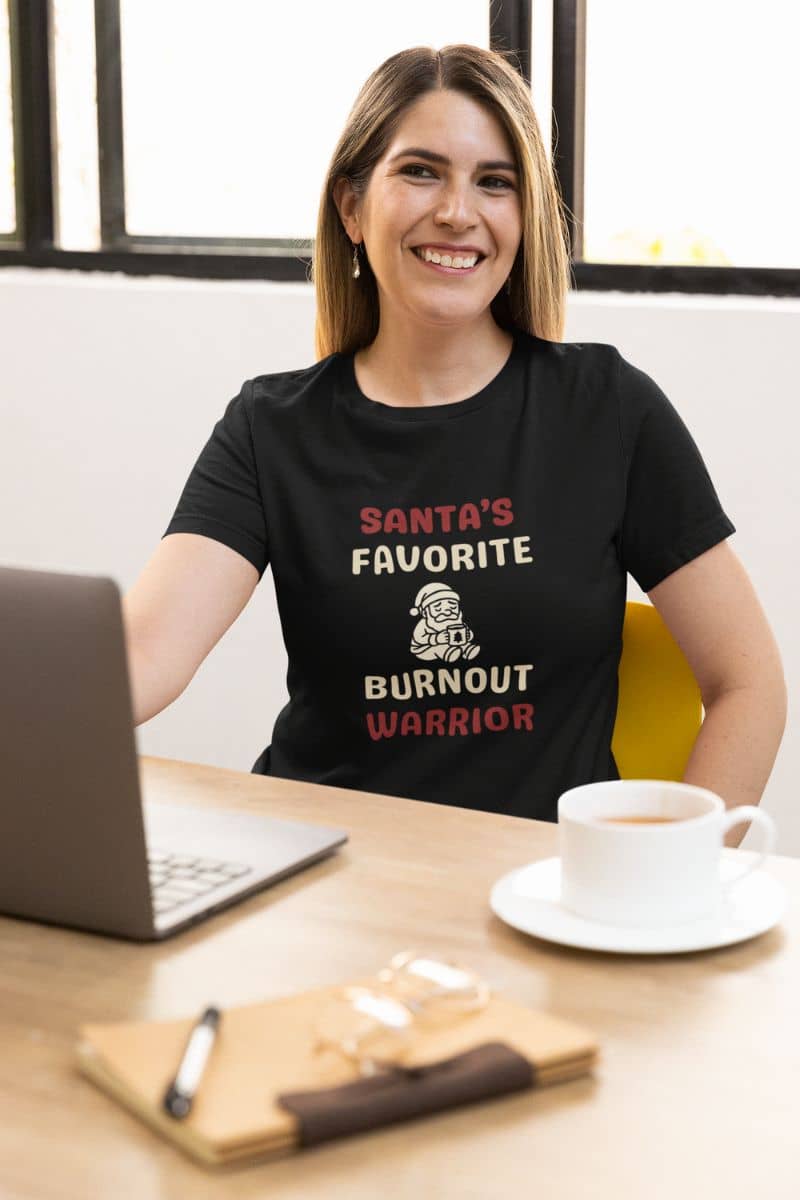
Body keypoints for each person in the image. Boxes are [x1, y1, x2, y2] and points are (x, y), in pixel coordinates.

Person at [122, 44, 786, 842]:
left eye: (494, 182)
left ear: (523, 218)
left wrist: (680, 875)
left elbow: (748, 683)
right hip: (325, 874)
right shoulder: (271, 427)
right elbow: (142, 657)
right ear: (351, 208)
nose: (457, 212)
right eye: (421, 172)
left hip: (539, 885)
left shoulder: (607, 409)